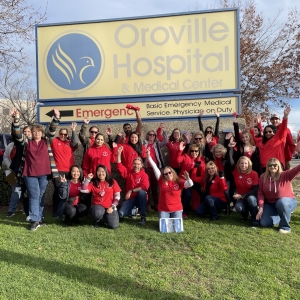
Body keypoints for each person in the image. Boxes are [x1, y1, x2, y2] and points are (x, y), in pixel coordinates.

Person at [13, 107, 60, 231]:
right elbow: (18, 135)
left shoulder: (47, 141)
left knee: (41, 196)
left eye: (39, 131)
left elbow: (52, 130)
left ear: (42, 133)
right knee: (34, 195)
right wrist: (16, 119)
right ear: (31, 133)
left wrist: (56, 118)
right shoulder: (27, 142)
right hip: (30, 174)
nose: (37, 133)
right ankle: (34, 220)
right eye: (34, 131)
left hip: (44, 174)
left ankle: (40, 217)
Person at [146, 148, 193, 220]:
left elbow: (190, 184)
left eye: (169, 172)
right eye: (166, 174)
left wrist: (188, 179)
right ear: (163, 175)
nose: (168, 175)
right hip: (164, 209)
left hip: (176, 209)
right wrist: (149, 157)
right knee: (163, 230)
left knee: (176, 229)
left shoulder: (178, 181)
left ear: (173, 172)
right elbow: (155, 167)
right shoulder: (161, 180)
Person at [256, 157, 299, 233]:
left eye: (274, 165)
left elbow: (297, 169)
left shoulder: (286, 174)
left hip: (287, 201)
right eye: (270, 165)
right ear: (267, 166)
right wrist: (261, 207)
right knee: (264, 223)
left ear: (278, 165)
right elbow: (260, 193)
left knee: (282, 202)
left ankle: (285, 227)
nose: (272, 166)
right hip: (270, 204)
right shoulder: (263, 177)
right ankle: (281, 215)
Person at [7, 108, 32, 218]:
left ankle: (25, 209)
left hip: (28, 170)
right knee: (16, 190)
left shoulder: (32, 143)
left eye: (28, 131)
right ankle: (11, 210)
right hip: (15, 170)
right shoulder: (17, 142)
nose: (26, 133)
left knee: (27, 191)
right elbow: (14, 132)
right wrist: (14, 120)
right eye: (25, 131)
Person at [116, 146, 149, 225]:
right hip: (131, 199)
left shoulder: (144, 175)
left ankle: (143, 217)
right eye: (134, 163)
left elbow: (145, 187)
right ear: (132, 164)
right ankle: (133, 210)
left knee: (142, 192)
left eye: (138, 164)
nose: (136, 165)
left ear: (141, 165)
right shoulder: (129, 172)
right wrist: (119, 154)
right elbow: (119, 166)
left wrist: (131, 190)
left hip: (140, 198)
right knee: (120, 214)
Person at [51, 122, 79, 217]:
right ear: (59, 134)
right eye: (61, 134)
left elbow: (75, 142)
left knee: (67, 191)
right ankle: (56, 212)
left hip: (69, 171)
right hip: (58, 171)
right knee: (59, 190)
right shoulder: (54, 141)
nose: (63, 136)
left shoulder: (69, 143)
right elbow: (48, 133)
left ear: (67, 135)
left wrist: (73, 130)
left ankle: (65, 210)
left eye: (65, 134)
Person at [82, 164, 121, 229]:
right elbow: (83, 190)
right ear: (96, 173)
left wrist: (112, 207)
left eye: (103, 171)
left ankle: (105, 217)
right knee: (97, 213)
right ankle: (97, 220)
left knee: (114, 226)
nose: (101, 173)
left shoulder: (112, 181)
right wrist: (88, 179)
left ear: (106, 172)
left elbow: (117, 196)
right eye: (98, 171)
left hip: (109, 206)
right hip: (97, 206)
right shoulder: (93, 183)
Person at [177, 142, 205, 218]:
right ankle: (184, 212)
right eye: (192, 151)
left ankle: (203, 210)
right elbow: (178, 160)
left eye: (196, 151)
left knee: (203, 192)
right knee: (188, 194)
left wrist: (202, 185)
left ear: (199, 152)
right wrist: (180, 150)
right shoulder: (186, 156)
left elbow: (203, 174)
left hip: (195, 181)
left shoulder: (200, 161)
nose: (194, 152)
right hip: (184, 180)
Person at [143, 124, 168, 211]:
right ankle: (148, 205)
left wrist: (164, 131)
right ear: (147, 136)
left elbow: (165, 141)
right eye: (150, 134)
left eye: (154, 135)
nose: (152, 136)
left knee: (155, 186)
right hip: (146, 168)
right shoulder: (143, 144)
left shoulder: (157, 144)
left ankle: (157, 204)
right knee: (147, 187)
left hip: (155, 168)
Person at [230, 156, 259, 227]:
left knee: (251, 199)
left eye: (246, 163)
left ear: (249, 164)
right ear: (238, 164)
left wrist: (242, 195)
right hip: (242, 198)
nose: (243, 165)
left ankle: (254, 219)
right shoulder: (236, 172)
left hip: (251, 197)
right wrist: (230, 147)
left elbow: (255, 190)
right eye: (241, 163)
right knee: (238, 207)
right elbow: (230, 160)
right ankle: (245, 215)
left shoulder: (254, 174)